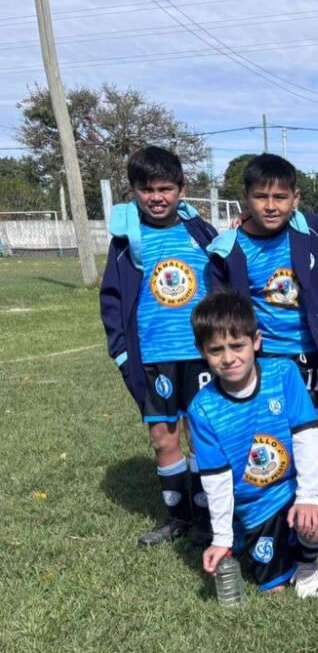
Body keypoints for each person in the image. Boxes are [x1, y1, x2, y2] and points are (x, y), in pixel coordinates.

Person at [100, 145, 219, 547]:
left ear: (181, 189)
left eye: (165, 188)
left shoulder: (201, 234)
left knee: (202, 436)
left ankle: (207, 517)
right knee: (163, 439)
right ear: (134, 191)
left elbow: (225, 279)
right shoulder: (125, 242)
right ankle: (178, 518)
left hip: (202, 357)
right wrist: (122, 352)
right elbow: (112, 300)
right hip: (153, 358)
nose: (156, 197)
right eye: (146, 189)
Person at [187, 290, 318, 598]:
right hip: (255, 504)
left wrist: (308, 497)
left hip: (295, 487)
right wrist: (221, 538)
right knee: (273, 588)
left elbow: (306, 438)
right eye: (216, 350)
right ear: (201, 351)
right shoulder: (201, 409)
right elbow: (216, 478)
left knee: (312, 527)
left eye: (237, 345)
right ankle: (246, 534)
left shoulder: (284, 374)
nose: (228, 358)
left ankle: (308, 561)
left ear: (256, 341)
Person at [208, 154, 318, 414]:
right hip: (261, 355)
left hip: (308, 353)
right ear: (246, 197)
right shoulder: (229, 250)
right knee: (264, 426)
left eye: (280, 197)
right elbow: (221, 312)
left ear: (295, 198)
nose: (271, 206)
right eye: (260, 197)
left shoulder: (316, 230)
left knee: (306, 424)